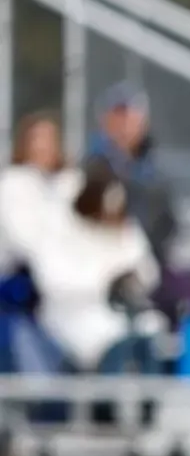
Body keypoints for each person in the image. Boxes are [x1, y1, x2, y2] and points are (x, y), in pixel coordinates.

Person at [25, 156, 160, 375]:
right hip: (74, 317)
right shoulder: (60, 230)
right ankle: (105, 406)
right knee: (108, 342)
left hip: (124, 314)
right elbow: (52, 282)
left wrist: (129, 280)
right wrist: (104, 282)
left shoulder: (124, 229)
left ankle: (144, 405)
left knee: (150, 334)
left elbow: (149, 272)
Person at [86, 83, 177, 280]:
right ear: (105, 121)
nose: (124, 126)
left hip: (147, 273)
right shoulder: (89, 171)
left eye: (131, 117)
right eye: (118, 117)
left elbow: (167, 229)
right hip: (99, 273)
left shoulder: (156, 175)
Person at [0, 113, 79, 277]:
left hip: (67, 273)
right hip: (21, 276)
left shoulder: (71, 182)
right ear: (25, 144)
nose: (44, 146)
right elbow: (22, 240)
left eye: (50, 139)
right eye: (37, 139)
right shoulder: (12, 183)